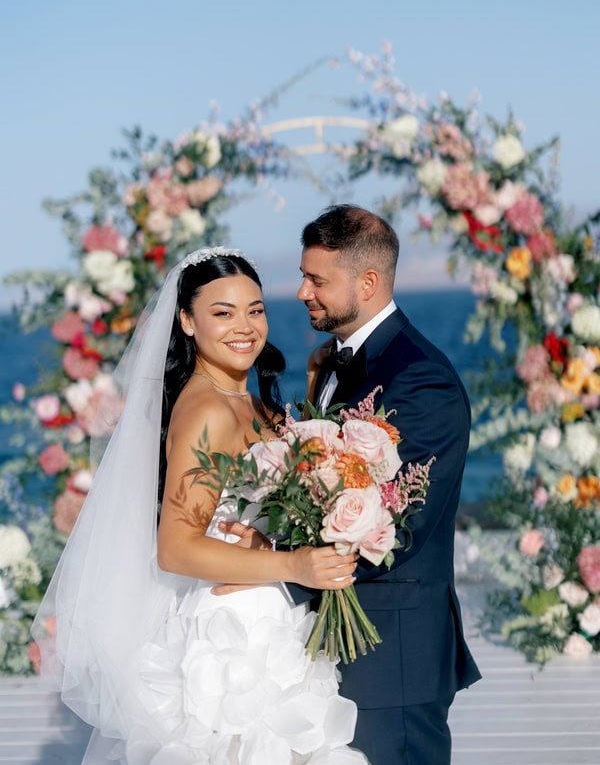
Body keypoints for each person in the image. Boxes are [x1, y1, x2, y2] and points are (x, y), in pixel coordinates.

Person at [32, 246, 368, 765]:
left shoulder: (246, 398)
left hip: (269, 623)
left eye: (255, 310)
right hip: (229, 641)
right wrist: (295, 564)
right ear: (187, 321)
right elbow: (176, 547)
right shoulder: (205, 408)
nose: (245, 326)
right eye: (222, 312)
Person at [292, 204, 483, 764]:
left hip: (391, 656)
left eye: (317, 280)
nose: (302, 291)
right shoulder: (330, 363)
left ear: (368, 282)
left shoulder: (422, 380)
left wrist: (276, 571)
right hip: (332, 645)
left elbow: (398, 528)